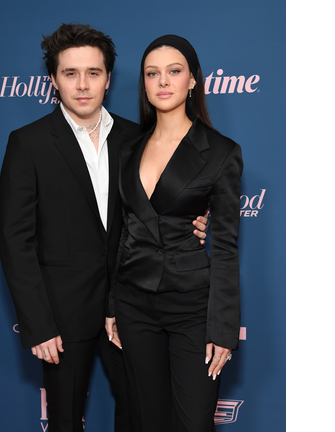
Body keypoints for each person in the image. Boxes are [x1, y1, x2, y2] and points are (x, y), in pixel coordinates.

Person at [0, 24, 208, 432]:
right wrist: (38, 323)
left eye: (93, 73)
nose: (82, 85)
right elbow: (14, 239)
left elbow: (162, 208)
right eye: (70, 73)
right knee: (63, 420)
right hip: (61, 314)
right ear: (54, 80)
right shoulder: (29, 143)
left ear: (108, 79)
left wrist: (194, 221)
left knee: (141, 415)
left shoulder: (137, 138)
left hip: (133, 306)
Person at [106, 35, 243, 432]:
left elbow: (226, 247)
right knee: (148, 421)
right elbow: (124, 231)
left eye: (174, 71)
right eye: (153, 73)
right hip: (134, 305)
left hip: (191, 309)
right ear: (144, 85)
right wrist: (114, 303)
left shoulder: (220, 152)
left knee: (192, 424)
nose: (163, 81)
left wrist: (223, 329)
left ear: (193, 81)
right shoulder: (128, 149)